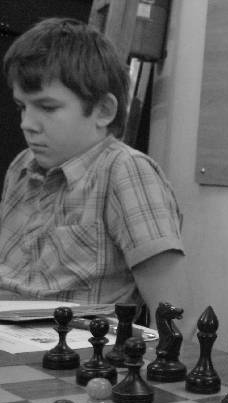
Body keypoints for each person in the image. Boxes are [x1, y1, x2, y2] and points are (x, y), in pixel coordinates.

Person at [0, 18, 187, 314]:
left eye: (47, 107)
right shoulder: (21, 166)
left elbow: (176, 316)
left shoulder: (126, 172)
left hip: (72, 341)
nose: (27, 124)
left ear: (103, 111)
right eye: (22, 107)